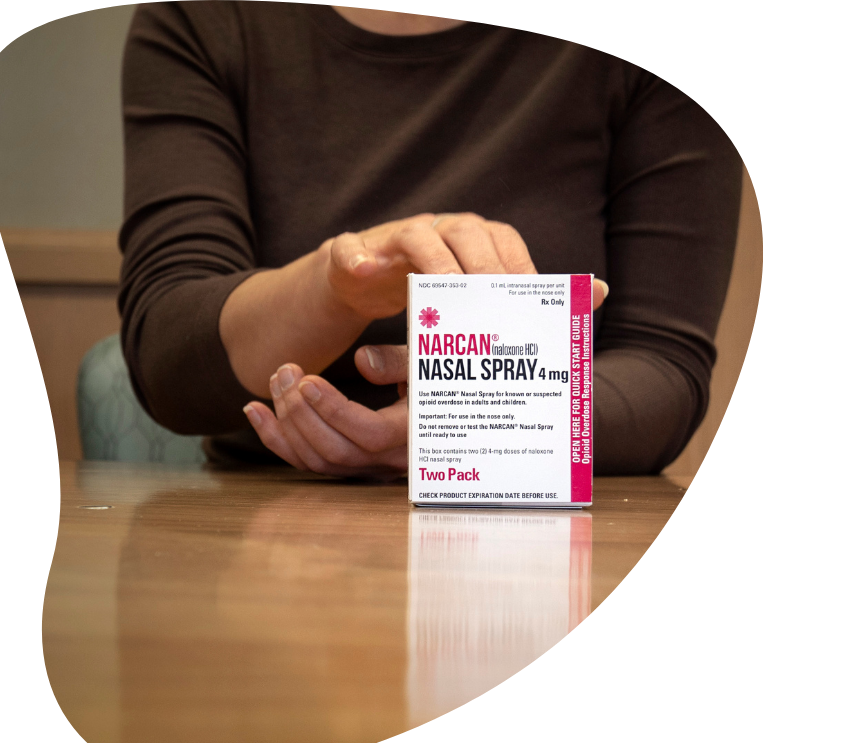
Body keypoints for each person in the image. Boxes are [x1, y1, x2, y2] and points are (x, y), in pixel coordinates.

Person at [118, 3, 742, 476]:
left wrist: (468, 433)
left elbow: (663, 367)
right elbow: (167, 354)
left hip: (541, 536)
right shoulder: (205, 16)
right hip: (260, 536)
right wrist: (341, 286)